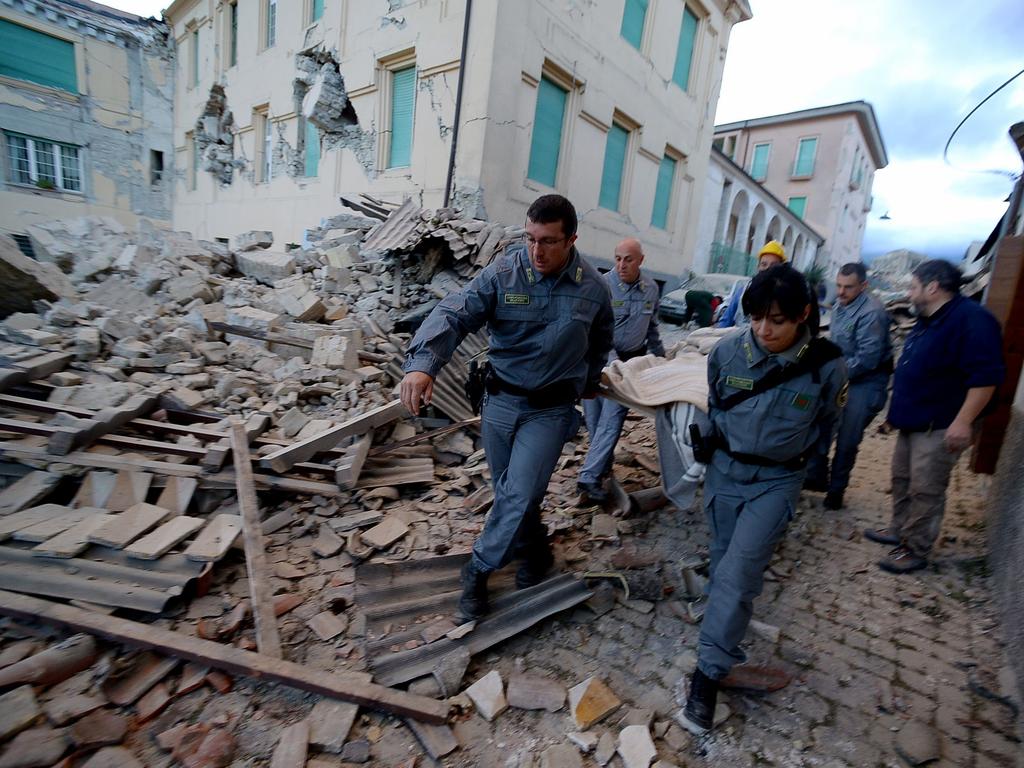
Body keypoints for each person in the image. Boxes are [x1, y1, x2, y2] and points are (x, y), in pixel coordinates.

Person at [400, 194, 614, 620]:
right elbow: (456, 311)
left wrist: (589, 381)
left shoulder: (593, 288)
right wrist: (424, 365)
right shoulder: (505, 272)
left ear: (572, 239)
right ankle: (536, 552)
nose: (537, 251)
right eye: (531, 238)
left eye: (549, 241)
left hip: (550, 410)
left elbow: (601, 340)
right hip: (499, 401)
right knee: (509, 493)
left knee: (519, 493)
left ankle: (477, 571)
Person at [678, 264, 847, 734]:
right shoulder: (728, 353)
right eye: (756, 318)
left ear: (803, 316)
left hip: (776, 483)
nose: (764, 330)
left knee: (738, 572)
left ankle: (707, 678)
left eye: (776, 320)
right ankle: (726, 638)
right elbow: (714, 403)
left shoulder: (827, 365)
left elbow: (830, 421)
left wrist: (817, 465)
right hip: (725, 475)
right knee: (723, 564)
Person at [865, 260, 1004, 574]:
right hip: (912, 420)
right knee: (902, 479)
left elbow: (986, 378)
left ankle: (915, 548)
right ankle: (899, 529)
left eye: (913, 286)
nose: (908, 292)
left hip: (940, 425)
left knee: (925, 488)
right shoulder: (929, 318)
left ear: (932, 287)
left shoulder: (973, 321)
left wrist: (964, 421)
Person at [577, 238, 664, 503]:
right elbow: (591, 329)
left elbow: (652, 327)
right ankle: (601, 468)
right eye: (617, 258)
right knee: (594, 422)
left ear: (641, 260)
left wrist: (661, 357)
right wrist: (612, 363)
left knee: (611, 421)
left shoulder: (650, 289)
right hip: (596, 359)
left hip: (628, 365)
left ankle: (588, 479)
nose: (621, 265)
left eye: (628, 259)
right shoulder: (601, 285)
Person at [804, 262, 893, 509]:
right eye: (839, 286)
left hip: (866, 382)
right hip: (843, 376)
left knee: (847, 438)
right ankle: (817, 476)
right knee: (819, 421)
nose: (841, 292)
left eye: (848, 287)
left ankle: (836, 490)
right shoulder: (842, 305)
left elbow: (868, 359)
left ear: (864, 286)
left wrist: (832, 373)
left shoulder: (871, 313)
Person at [716, 240, 787, 328]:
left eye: (774, 265)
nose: (768, 269)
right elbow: (725, 321)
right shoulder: (742, 292)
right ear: (758, 267)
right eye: (764, 264)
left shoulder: (786, 297)